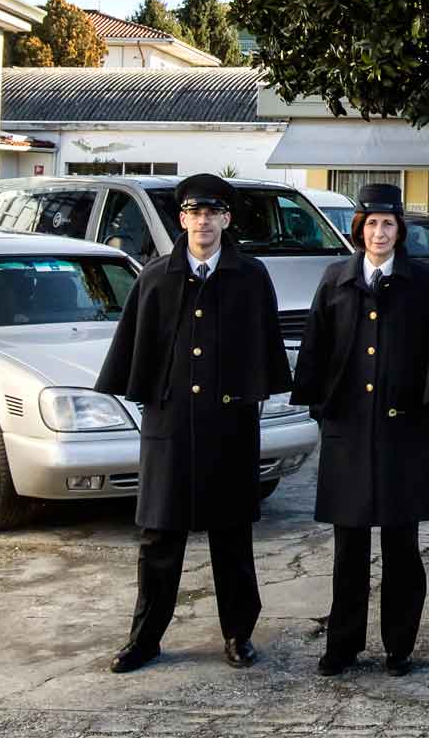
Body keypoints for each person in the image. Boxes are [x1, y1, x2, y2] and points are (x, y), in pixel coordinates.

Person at [97, 173, 292, 673]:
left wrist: (254, 395)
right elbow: (134, 352)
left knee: (232, 538)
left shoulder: (250, 277)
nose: (202, 221)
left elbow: (265, 346)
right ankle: (144, 640)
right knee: (160, 537)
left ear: (226, 219)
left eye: (212, 213)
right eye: (193, 213)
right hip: (171, 425)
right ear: (181, 219)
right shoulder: (156, 276)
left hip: (230, 426)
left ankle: (237, 635)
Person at [291, 183, 429, 677]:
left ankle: (399, 647)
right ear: (359, 229)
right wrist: (321, 405)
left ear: (399, 231)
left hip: (401, 431)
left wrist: (425, 400)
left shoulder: (421, 282)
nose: (380, 232)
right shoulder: (334, 279)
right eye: (371, 224)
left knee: (401, 546)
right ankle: (342, 646)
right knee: (349, 547)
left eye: (388, 224)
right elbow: (317, 349)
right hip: (347, 431)